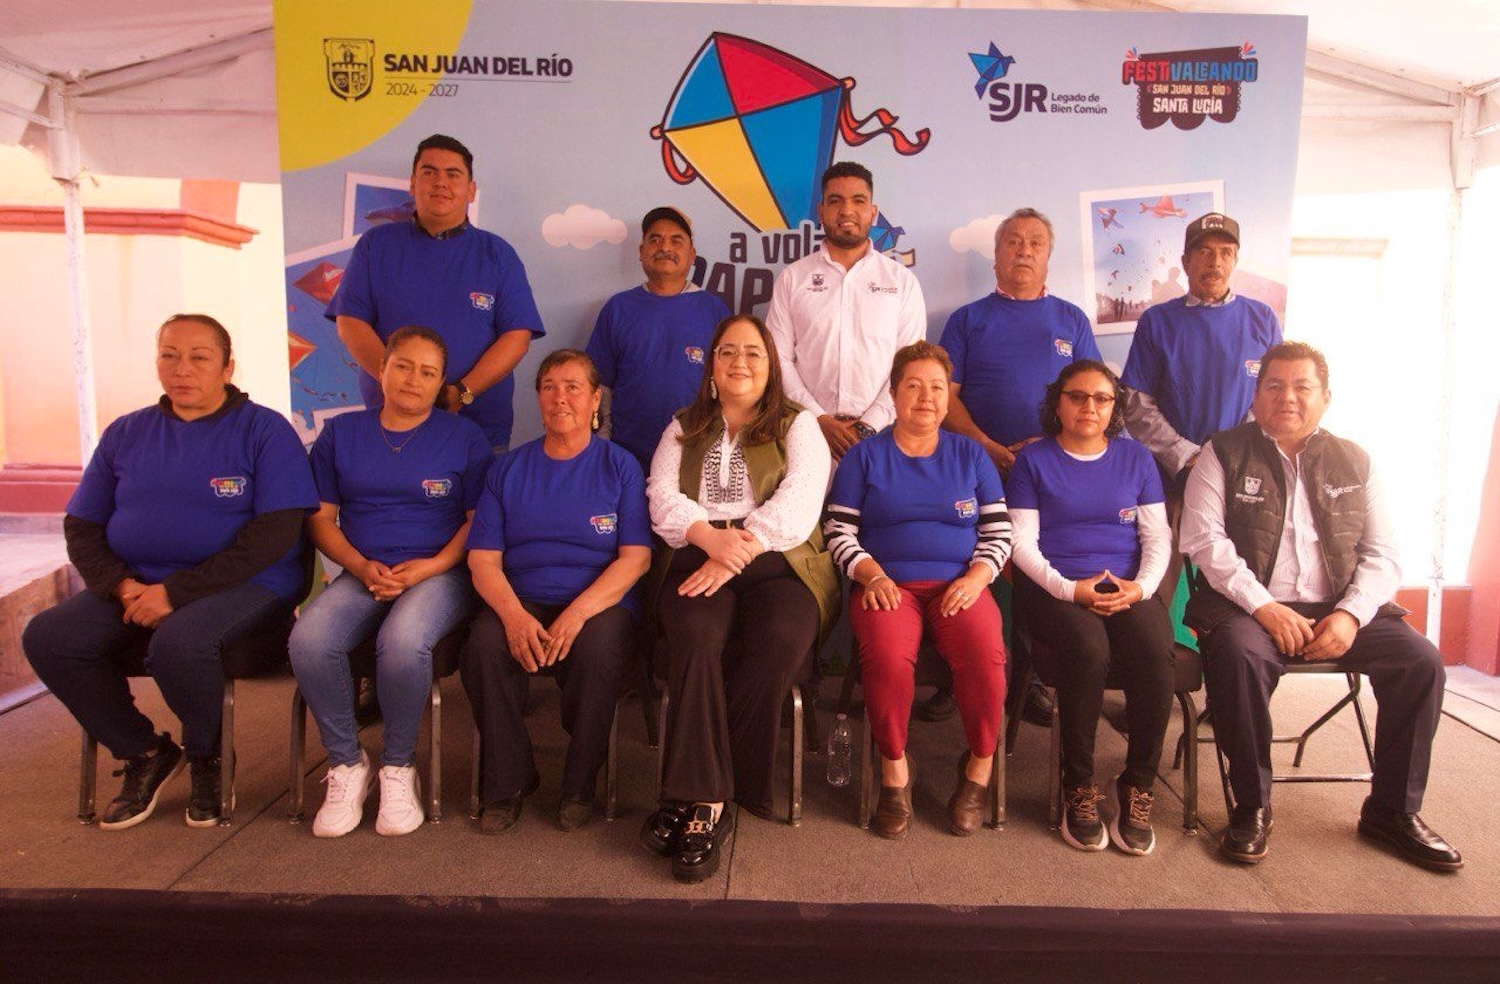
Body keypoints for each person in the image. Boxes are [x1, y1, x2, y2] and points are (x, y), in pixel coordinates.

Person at [24, 314, 317, 829]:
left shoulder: (264, 430)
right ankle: (143, 752)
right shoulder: (126, 433)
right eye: (170, 356)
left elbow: (274, 536)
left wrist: (175, 593)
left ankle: (208, 756)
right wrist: (121, 585)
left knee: (180, 642)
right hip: (136, 584)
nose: (183, 369)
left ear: (227, 367)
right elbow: (82, 526)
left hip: (252, 583)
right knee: (49, 637)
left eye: (199, 358)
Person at [1180, 341, 1461, 871]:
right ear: (1256, 396)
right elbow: (1204, 541)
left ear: (1326, 397)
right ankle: (1251, 805)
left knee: (1421, 661)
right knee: (1239, 656)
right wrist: (1265, 607)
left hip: (1339, 606)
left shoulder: (1355, 459)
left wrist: (1351, 615)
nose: (1287, 397)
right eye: (1274, 386)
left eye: (1302, 387)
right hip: (1248, 606)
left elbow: (1383, 553)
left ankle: (1392, 811)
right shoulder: (1222, 452)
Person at [643, 314, 837, 882]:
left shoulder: (798, 425)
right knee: (696, 635)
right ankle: (707, 800)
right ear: (712, 365)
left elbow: (801, 502)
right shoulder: (682, 426)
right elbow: (661, 494)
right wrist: (710, 540)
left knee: (779, 641)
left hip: (780, 562)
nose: (740, 362)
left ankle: (699, 789)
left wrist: (738, 548)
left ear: (771, 365)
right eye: (728, 352)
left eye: (753, 352)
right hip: (697, 553)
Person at [289, 326, 492, 838]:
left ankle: (399, 767)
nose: (413, 379)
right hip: (364, 571)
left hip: (440, 574)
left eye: (428, 372)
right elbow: (321, 520)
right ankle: (347, 762)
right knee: (309, 640)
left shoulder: (464, 437)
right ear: (381, 369)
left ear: (441, 383)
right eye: (403, 365)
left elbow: (478, 523)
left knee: (402, 641)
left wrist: (429, 566)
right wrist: (360, 567)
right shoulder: (341, 434)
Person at [823, 341, 1010, 839]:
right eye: (913, 386)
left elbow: (998, 532)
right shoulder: (864, 457)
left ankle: (978, 769)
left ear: (948, 398)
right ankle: (894, 772)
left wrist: (976, 577)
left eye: (936, 387)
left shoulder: (971, 455)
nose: (926, 397)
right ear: (893, 393)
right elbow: (837, 531)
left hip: (960, 585)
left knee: (986, 655)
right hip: (886, 585)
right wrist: (871, 575)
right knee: (886, 658)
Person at [460, 350, 652, 834]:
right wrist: (512, 616)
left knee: (599, 649)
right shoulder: (506, 470)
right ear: (538, 399)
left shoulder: (621, 466)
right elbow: (482, 560)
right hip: (521, 596)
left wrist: (578, 613)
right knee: (483, 646)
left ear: (595, 399)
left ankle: (580, 782)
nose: (560, 397)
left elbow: (636, 558)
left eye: (572, 387)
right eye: (548, 386)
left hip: (600, 601)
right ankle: (509, 779)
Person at [940, 206, 1104, 728]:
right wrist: (984, 444)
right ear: (996, 256)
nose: (1024, 250)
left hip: (1049, 470)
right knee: (964, 562)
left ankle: (1028, 679)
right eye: (1013, 241)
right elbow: (945, 396)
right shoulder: (967, 319)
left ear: (1049, 257)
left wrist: (1051, 443)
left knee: (1034, 568)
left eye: (1036, 243)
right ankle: (953, 675)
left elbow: (1094, 396)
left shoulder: (1071, 320)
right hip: (974, 465)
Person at [1007, 360, 1174, 855]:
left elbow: (1157, 538)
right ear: (1057, 403)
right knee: (1088, 648)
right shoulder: (1033, 461)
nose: (1090, 407)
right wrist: (1069, 590)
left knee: (1154, 647)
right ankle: (1077, 786)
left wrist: (1140, 589)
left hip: (1126, 587)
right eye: (1077, 396)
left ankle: (1137, 784)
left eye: (1102, 398)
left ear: (1114, 407)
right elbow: (1021, 545)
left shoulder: (1137, 458)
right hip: (1055, 590)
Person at [326, 133, 545, 452]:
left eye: (453, 174)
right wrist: (399, 389)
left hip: (478, 428)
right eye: (429, 172)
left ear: (471, 190)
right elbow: (350, 323)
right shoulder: (376, 245)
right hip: (390, 426)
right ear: (412, 184)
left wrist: (462, 392)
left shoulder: (498, 254)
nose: (441, 182)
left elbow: (517, 338)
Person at [766, 161, 926, 461]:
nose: (846, 211)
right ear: (821, 211)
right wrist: (817, 419)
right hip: (807, 436)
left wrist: (868, 425)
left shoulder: (902, 282)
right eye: (835, 201)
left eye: (858, 201)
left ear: (873, 212)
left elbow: (910, 366)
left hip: (884, 437)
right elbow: (778, 360)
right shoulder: (793, 278)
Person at [1121, 211, 1282, 491]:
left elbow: (1276, 395)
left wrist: (1236, 450)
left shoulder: (1263, 319)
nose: (1215, 262)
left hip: (1245, 472)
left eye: (1225, 252)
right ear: (1186, 262)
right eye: (1205, 251)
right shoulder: (1156, 321)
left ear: (1235, 261)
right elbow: (1136, 404)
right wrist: (1186, 455)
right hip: (1174, 477)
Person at [585, 206, 731, 472]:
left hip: (696, 457)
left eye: (676, 240)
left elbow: (731, 387)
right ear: (641, 252)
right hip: (627, 458)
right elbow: (599, 385)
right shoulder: (618, 308)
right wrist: (602, 444)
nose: (665, 247)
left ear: (692, 254)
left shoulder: (714, 311)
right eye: (655, 239)